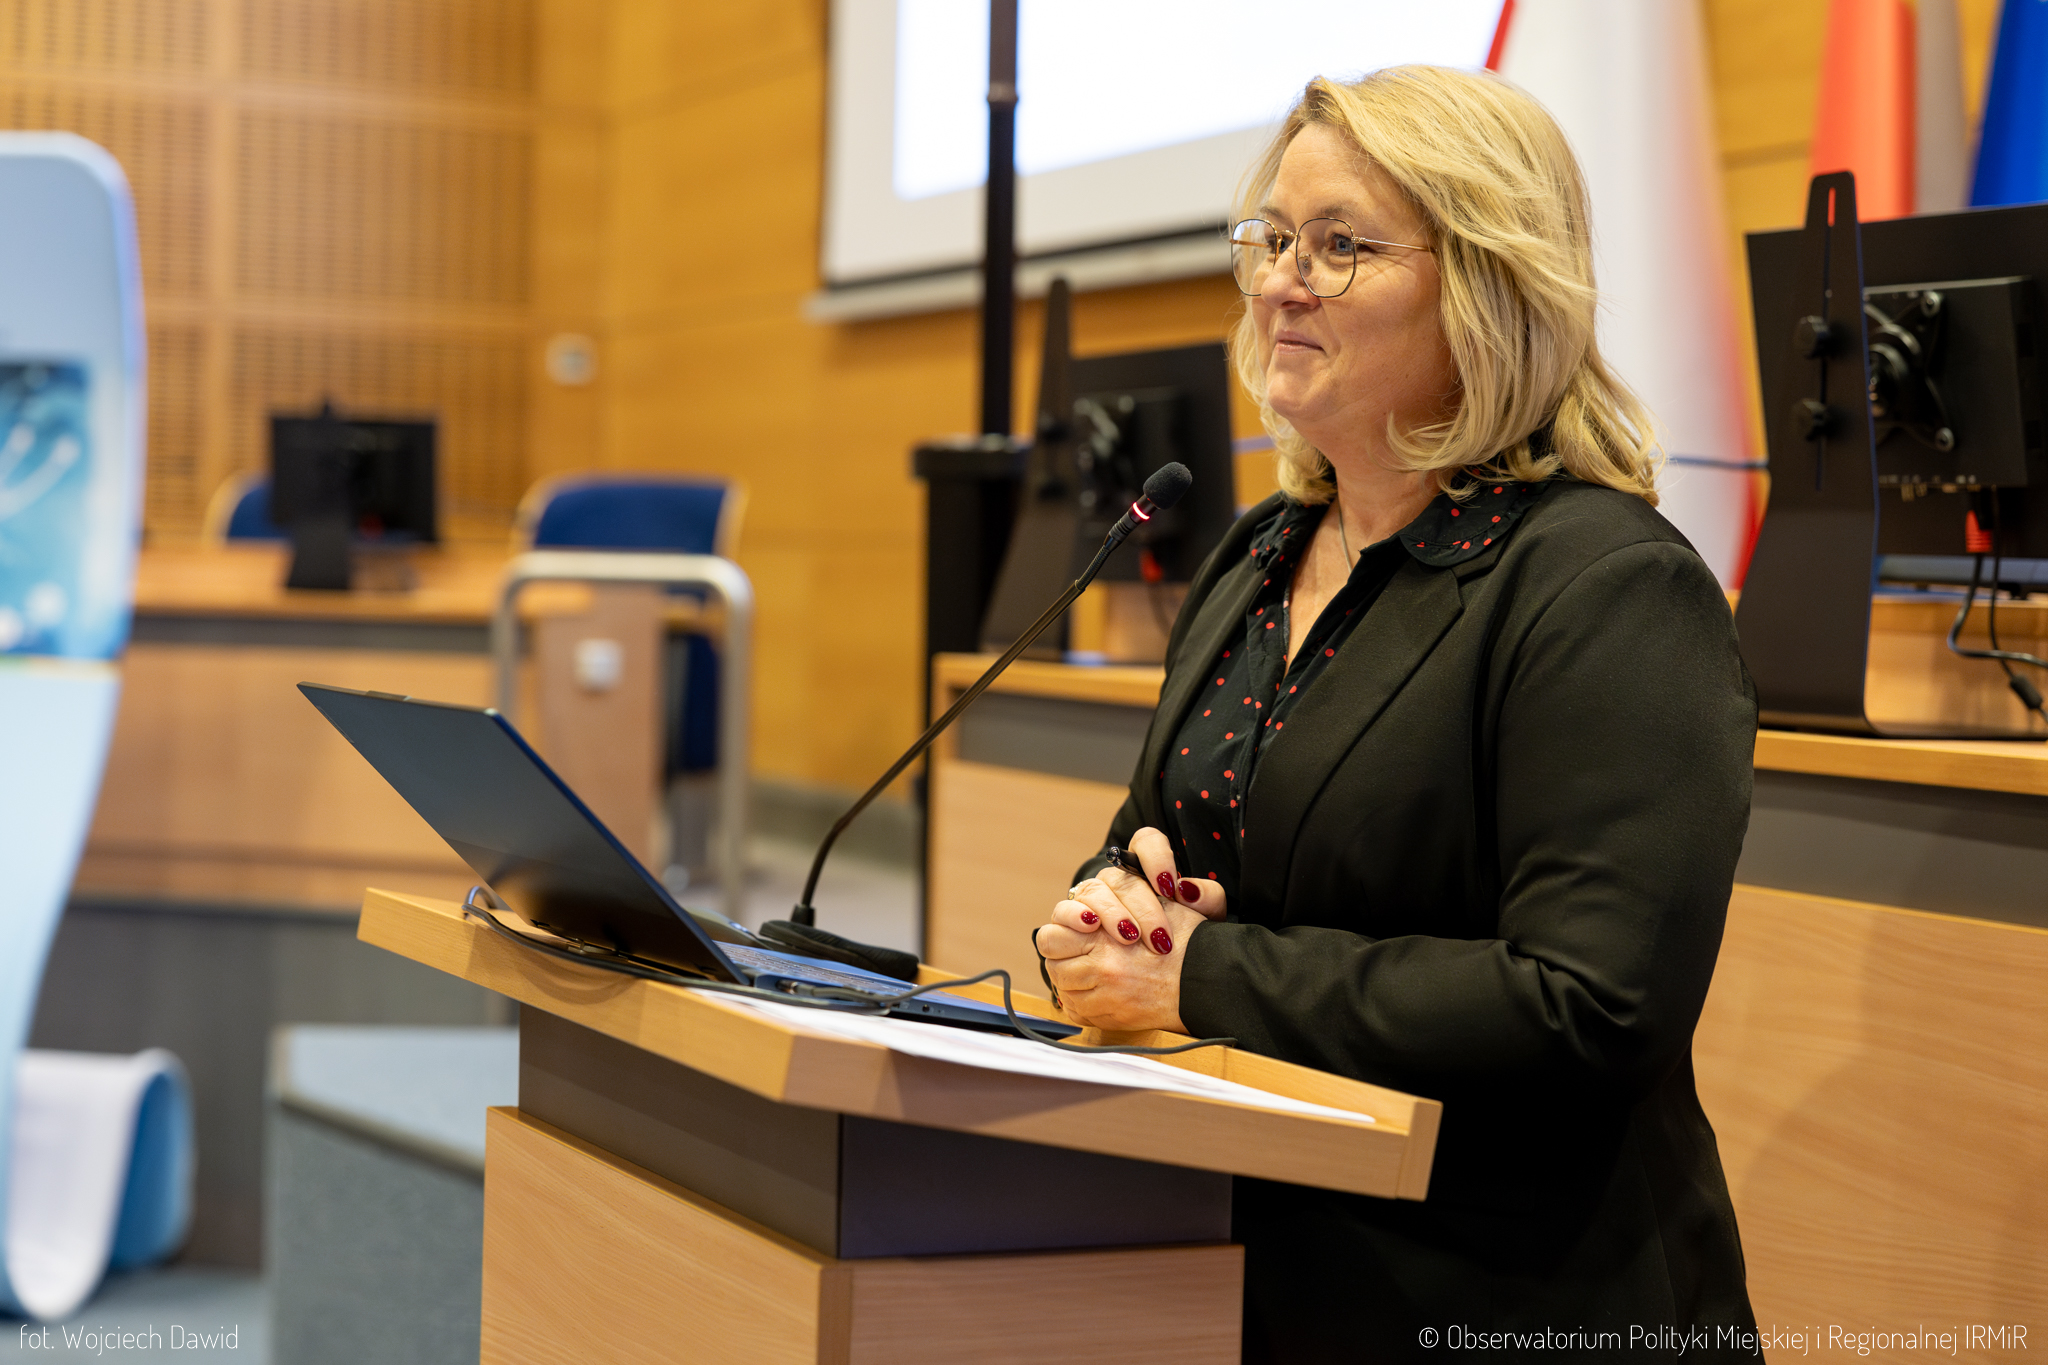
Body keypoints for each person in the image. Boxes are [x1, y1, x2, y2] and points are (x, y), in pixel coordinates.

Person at [1032, 66, 1758, 1361]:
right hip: (1236, 1261)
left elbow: (1589, 1004)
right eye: (1272, 239)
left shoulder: (1608, 587)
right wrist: (1105, 917)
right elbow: (1151, 840)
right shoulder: (1257, 554)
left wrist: (1202, 973)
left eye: (1339, 245)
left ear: (1486, 283)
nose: (1282, 281)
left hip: (1507, 1297)